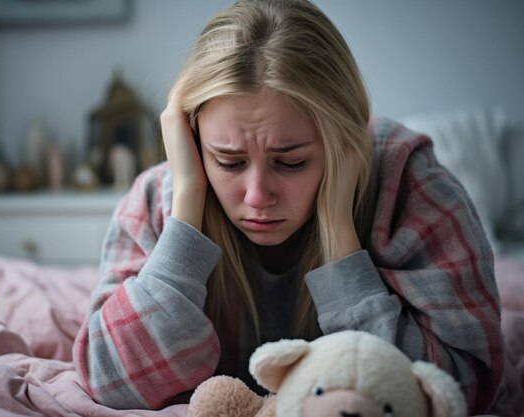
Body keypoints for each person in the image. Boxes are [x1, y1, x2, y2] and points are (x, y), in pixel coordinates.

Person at [73, 0, 505, 414]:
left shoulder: (414, 188)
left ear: (345, 142)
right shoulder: (159, 197)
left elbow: (460, 387)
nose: (258, 196)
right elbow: (110, 382)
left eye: (292, 162)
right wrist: (187, 205)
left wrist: (339, 236)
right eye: (229, 161)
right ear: (191, 140)